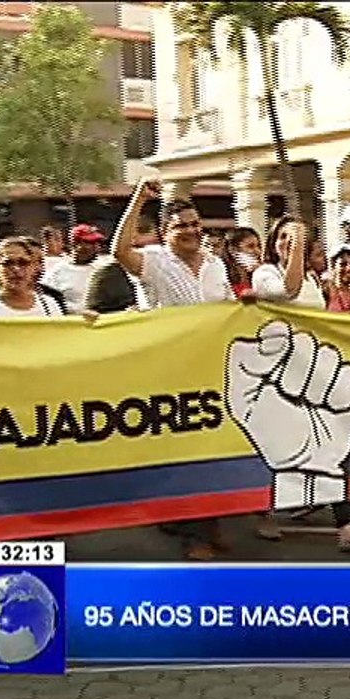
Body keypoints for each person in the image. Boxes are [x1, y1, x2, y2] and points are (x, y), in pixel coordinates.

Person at [113, 178, 236, 560]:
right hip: (170, 370)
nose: (191, 231)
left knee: (213, 448)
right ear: (165, 233)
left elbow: (229, 307)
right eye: (181, 225)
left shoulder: (216, 264)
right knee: (186, 449)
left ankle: (206, 523)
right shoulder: (153, 262)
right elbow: (119, 249)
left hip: (214, 367)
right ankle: (195, 534)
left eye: (195, 223)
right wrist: (139, 199)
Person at [250, 216, 350, 551]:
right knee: (268, 447)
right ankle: (263, 510)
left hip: (311, 372)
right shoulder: (265, 274)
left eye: (294, 237)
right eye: (282, 236)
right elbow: (287, 291)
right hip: (277, 376)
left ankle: (346, 524)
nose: (287, 241)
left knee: (334, 442)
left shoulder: (312, 278)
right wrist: (296, 247)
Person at [0, 237, 65, 320]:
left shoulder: (49, 305)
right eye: (8, 263)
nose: (16, 269)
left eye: (23, 263)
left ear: (33, 268)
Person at [43, 224, 106, 315]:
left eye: (97, 243)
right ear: (75, 244)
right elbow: (48, 300)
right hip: (73, 324)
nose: (96, 247)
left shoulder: (104, 268)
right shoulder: (59, 270)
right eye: (90, 242)